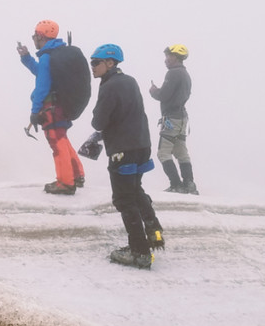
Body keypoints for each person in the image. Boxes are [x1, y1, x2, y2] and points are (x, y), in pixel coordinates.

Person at [86, 44, 164, 270]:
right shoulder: (129, 81)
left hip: (123, 149)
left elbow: (99, 121)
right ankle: (154, 232)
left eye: (95, 62)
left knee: (124, 199)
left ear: (109, 63)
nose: (92, 67)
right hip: (141, 144)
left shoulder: (109, 86)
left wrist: (97, 122)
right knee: (135, 190)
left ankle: (139, 252)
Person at [16, 20, 88, 195]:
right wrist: (26, 58)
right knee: (62, 138)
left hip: (51, 106)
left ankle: (65, 182)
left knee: (56, 141)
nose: (33, 39)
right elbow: (42, 72)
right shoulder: (55, 53)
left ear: (41, 37)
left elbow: (42, 85)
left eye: (34, 36)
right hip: (61, 104)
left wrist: (34, 112)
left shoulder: (48, 56)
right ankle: (77, 174)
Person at [149, 43, 197, 194]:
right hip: (182, 118)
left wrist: (154, 91)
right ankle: (189, 184)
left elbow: (163, 95)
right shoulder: (185, 74)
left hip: (171, 119)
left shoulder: (173, 73)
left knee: (163, 153)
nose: (166, 59)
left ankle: (176, 185)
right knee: (181, 152)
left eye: (168, 56)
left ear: (175, 57)